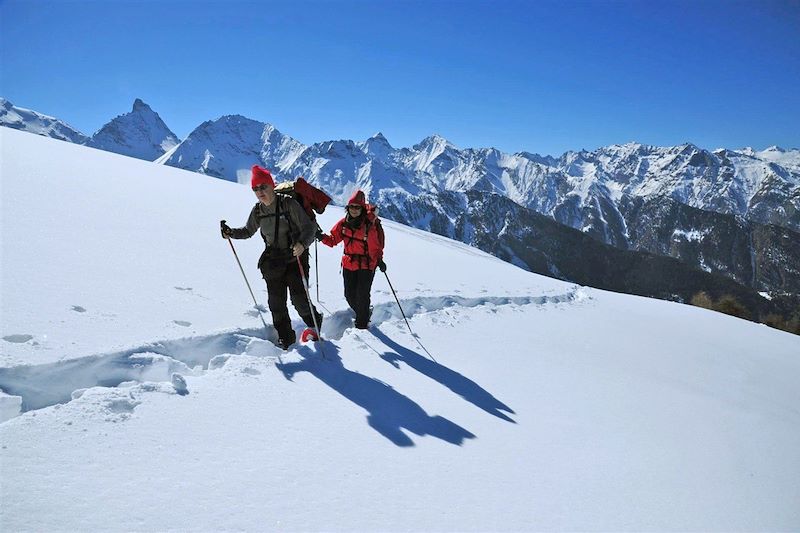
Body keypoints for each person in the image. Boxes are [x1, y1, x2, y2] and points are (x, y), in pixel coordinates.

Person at [221, 165, 322, 349]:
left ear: (271, 185)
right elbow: (248, 231)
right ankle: (286, 338)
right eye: (255, 189)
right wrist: (231, 233)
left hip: (295, 256)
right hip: (273, 260)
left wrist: (302, 245)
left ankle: (315, 323)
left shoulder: (288, 204)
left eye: (263, 187)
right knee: (276, 303)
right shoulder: (258, 210)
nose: (259, 192)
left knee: (299, 300)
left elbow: (310, 228)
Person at [320, 190, 385, 329]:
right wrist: (321, 237)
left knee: (362, 295)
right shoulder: (343, 224)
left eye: (357, 207)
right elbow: (333, 240)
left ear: (362, 209)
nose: (354, 210)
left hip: (367, 265)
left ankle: (362, 324)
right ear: (347, 208)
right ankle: (364, 312)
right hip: (349, 264)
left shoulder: (368, 226)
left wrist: (380, 260)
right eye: (351, 207)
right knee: (349, 295)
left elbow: (375, 247)